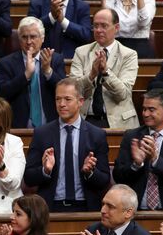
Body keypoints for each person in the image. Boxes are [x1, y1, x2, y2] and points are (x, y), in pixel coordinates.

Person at [24, 77, 110, 212]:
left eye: (67, 99)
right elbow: (28, 177)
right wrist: (45, 170)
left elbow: (104, 180)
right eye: (58, 99)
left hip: (86, 207)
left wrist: (90, 172)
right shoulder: (42, 133)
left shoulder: (96, 135)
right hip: (50, 207)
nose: (61, 104)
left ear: (80, 101)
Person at [113, 89, 163, 210]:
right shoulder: (131, 136)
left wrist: (155, 160)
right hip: (135, 210)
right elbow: (118, 176)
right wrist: (136, 164)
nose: (145, 114)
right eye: (144, 109)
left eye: (151, 109)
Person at [70, 8, 139, 129]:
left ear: (116, 28)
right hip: (86, 119)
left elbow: (123, 94)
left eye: (104, 26)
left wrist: (106, 72)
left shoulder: (129, 55)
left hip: (117, 122)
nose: (98, 30)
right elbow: (73, 90)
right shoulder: (81, 52)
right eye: (95, 26)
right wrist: (91, 75)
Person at [0, 16, 66, 129]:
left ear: (42, 38)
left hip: (52, 127)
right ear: (19, 39)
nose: (29, 42)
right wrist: (25, 75)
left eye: (33, 37)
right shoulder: (6, 63)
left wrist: (48, 71)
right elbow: (0, 93)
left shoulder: (55, 60)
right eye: (24, 37)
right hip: (18, 128)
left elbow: (65, 91)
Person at [27, 0, 91, 59]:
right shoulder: (36, 4)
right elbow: (28, 31)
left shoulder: (82, 6)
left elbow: (86, 35)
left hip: (72, 60)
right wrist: (51, 17)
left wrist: (63, 21)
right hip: (42, 57)